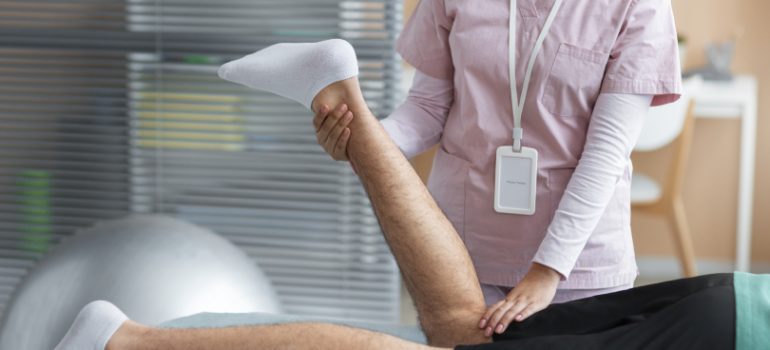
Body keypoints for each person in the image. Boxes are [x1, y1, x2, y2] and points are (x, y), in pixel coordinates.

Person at [56, 40, 767, 350]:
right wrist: (364, 139)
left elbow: (605, 154)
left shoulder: (633, 7)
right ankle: (129, 341)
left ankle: (332, 84)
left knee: (456, 332)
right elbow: (429, 110)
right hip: (726, 324)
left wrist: (545, 276)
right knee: (450, 343)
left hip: (593, 269)